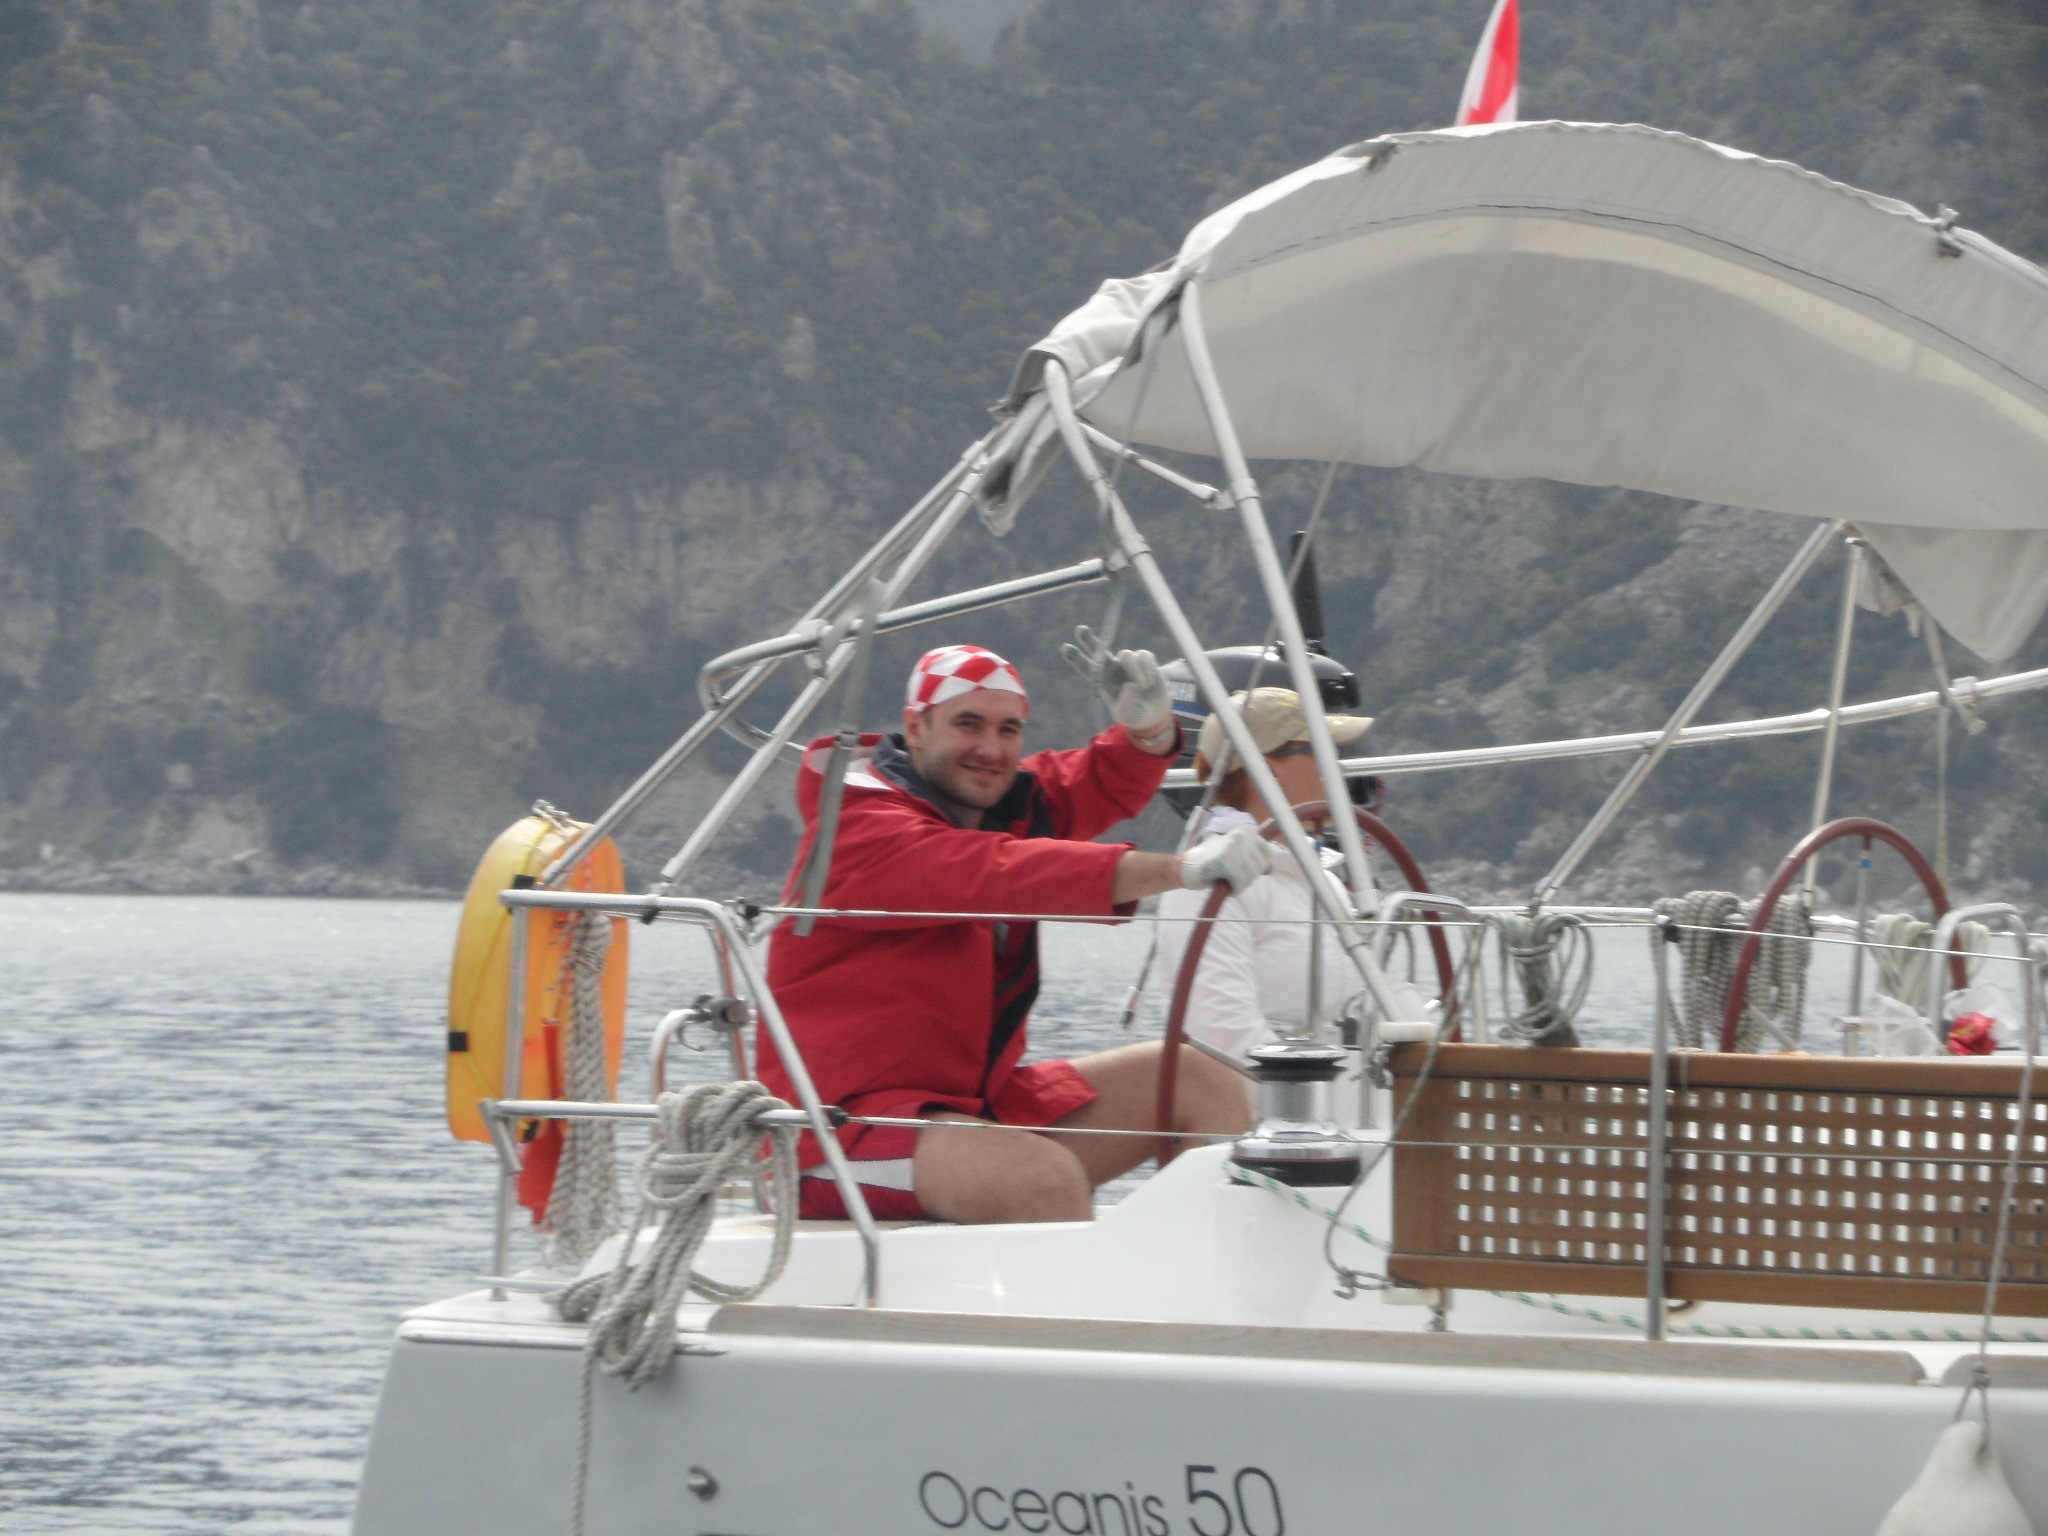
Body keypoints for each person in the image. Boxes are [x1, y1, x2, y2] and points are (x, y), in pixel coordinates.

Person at [759, 637, 1271, 1224]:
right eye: (969, 724)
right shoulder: (857, 829)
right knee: (1041, 1180)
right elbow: (1001, 872)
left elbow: (1085, 783)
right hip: (835, 1130)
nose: (991, 749)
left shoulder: (992, 806)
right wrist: (1178, 870)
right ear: (916, 728)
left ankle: (1206, 1274)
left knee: (1204, 1081)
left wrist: (1149, 734)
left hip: (967, 1107)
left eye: (1008, 730)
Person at [1152, 688, 1375, 1082]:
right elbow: (1224, 1041)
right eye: (1322, 751)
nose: (1339, 768)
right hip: (1267, 1109)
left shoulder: (1323, 879)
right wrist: (1331, 1101)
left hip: (1335, 1100)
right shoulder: (1206, 887)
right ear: (1269, 770)